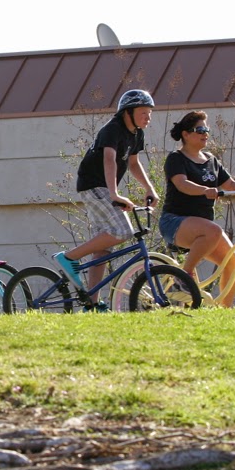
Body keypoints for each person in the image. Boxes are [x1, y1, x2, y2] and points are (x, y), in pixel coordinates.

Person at [53, 89, 161, 309]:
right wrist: (114, 193)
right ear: (127, 112)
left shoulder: (137, 134)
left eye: (150, 113)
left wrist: (149, 188)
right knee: (122, 231)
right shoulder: (112, 129)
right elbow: (109, 159)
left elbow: (133, 164)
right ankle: (69, 257)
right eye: (143, 112)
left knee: (103, 248)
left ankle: (92, 304)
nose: (148, 117)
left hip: (104, 187)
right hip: (93, 185)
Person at [158, 111, 235, 307]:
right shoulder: (176, 158)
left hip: (203, 229)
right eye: (200, 130)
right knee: (214, 230)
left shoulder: (211, 160)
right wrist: (205, 190)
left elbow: (230, 184)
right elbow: (181, 184)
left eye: (207, 130)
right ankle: (183, 277)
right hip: (174, 222)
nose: (205, 133)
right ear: (186, 134)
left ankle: (225, 313)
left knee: (233, 262)